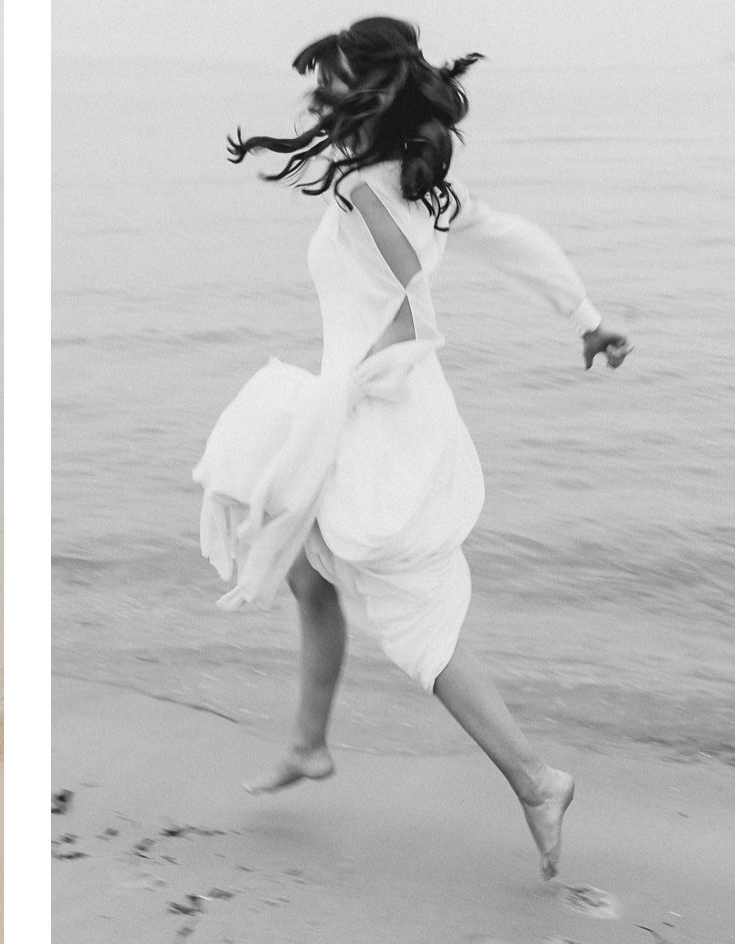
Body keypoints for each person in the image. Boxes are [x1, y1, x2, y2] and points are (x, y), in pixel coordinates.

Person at [193, 17, 632, 880]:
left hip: (378, 410)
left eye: (336, 80)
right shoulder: (421, 184)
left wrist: (370, 225)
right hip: (362, 398)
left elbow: (404, 293)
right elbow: (512, 239)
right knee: (304, 570)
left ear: (370, 93)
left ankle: (536, 779)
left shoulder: (368, 190)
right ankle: (308, 744)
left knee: (413, 625)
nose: (321, 96)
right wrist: (583, 315)